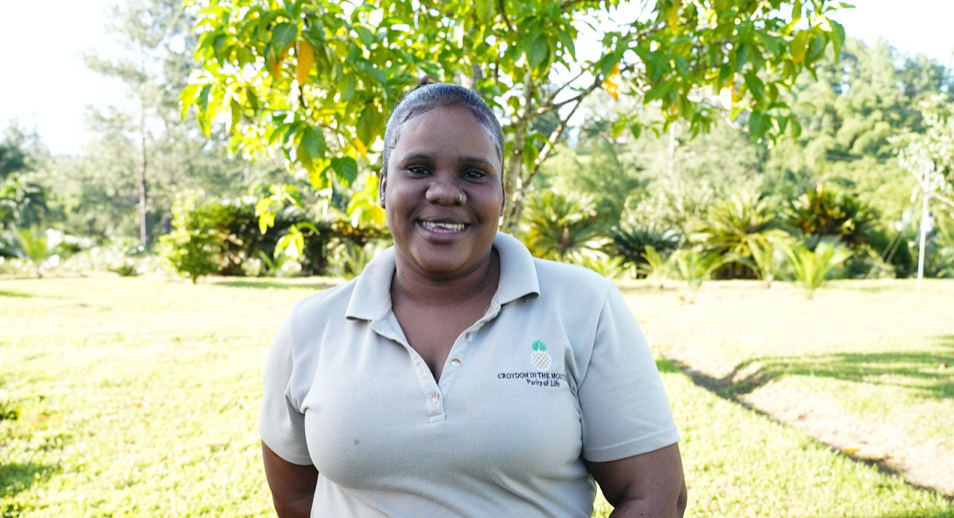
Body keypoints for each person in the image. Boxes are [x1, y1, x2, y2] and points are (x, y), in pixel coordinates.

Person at [259, 79, 687, 518]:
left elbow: (656, 495)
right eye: (419, 168)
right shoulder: (311, 328)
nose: (445, 191)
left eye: (474, 173)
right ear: (384, 186)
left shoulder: (584, 307)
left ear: (502, 192)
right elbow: (295, 497)